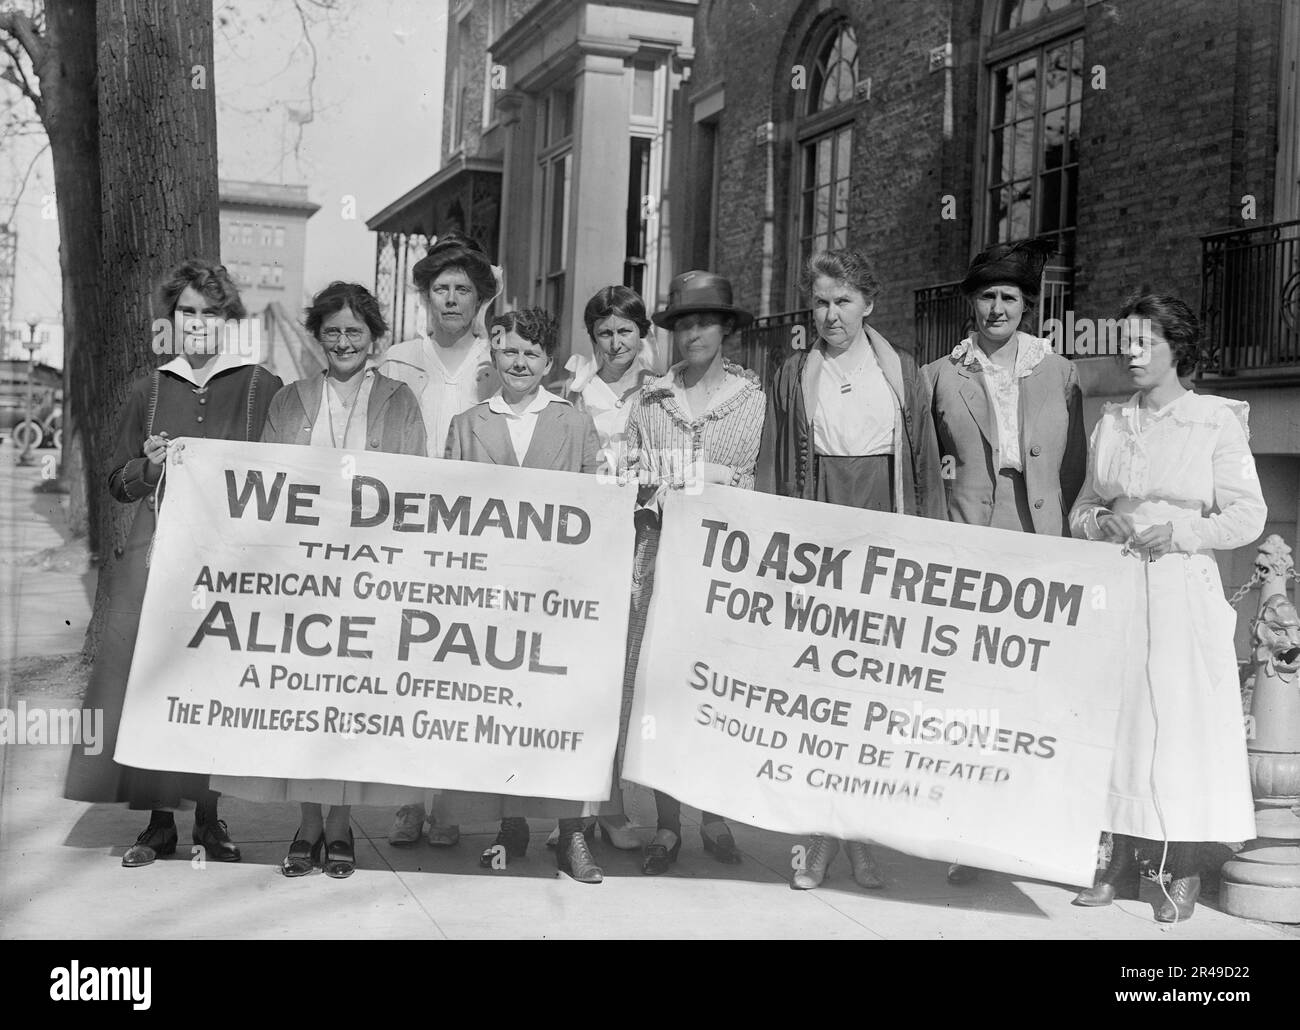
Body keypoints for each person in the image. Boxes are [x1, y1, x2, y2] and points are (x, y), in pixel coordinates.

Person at [64, 259, 281, 867]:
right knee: (155, 682)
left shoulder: (262, 385)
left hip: (230, 562)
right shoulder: (149, 389)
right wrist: (150, 467)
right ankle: (159, 824)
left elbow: (287, 477)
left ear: (228, 320)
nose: (199, 323)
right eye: (187, 311)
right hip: (158, 555)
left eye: (212, 312)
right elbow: (117, 481)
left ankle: (211, 818)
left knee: (215, 684)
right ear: (172, 318)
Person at [211, 282, 427, 879]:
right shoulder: (291, 399)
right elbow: (270, 483)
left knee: (351, 702)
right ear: (317, 337)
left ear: (373, 338)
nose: (343, 342)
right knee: (306, 698)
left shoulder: (399, 399)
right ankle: (308, 822)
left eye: (354, 331)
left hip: (370, 573)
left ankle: (341, 826)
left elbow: (414, 483)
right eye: (331, 331)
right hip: (303, 573)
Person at [1069, 294, 1265, 922]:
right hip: (1120, 584)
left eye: (1144, 342)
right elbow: (1083, 504)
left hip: (1182, 585)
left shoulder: (1213, 420)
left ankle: (1182, 867)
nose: (1130, 353)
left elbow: (1249, 515)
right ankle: (1118, 859)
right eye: (1125, 341)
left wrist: (1182, 535)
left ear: (1176, 347)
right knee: (1121, 723)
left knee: (1181, 726)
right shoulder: (1112, 421)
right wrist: (1098, 521)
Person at [758, 247, 945, 892]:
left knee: (870, 697)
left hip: (883, 533)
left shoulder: (902, 373)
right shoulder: (791, 374)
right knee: (817, 693)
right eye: (821, 302)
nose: (831, 314)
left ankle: (862, 838)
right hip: (819, 537)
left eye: (843, 301)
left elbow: (920, 470)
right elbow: (776, 466)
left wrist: (922, 550)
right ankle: (816, 838)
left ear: (869, 304)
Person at [925, 238, 1087, 885]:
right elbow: (925, 469)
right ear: (971, 303)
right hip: (972, 539)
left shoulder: (1061, 372)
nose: (998, 308)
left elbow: (1076, 474)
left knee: (1035, 694)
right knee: (976, 698)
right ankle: (974, 840)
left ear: (1028, 306)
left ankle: (1034, 833)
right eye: (988, 295)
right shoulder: (940, 375)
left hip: (1041, 538)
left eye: (1010, 298)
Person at [443, 308, 606, 883]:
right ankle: (510, 825)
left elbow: (599, 511)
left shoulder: (574, 423)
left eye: (532, 354)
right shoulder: (467, 424)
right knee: (506, 712)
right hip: (492, 595)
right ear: (493, 353)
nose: (519, 363)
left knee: (562, 712)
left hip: (558, 595)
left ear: (549, 362)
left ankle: (571, 835)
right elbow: (449, 511)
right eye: (509, 351)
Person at [623, 269, 767, 875]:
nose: (693, 335)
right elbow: (622, 475)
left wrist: (724, 482)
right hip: (659, 559)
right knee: (661, 691)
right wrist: (669, 480)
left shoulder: (755, 402)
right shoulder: (650, 399)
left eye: (705, 322)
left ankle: (713, 814)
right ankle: (666, 824)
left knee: (717, 689)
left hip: (726, 569)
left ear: (727, 329)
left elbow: (767, 482)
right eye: (682, 324)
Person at [377, 231, 501, 849]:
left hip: (475, 524)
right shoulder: (400, 357)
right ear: (425, 296)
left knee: (457, 664)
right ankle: (405, 800)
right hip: (409, 518)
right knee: (409, 660)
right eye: (440, 289)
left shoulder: (497, 358)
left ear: (480, 299)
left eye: (463, 290)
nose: (451, 299)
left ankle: (446, 803)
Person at [558, 285, 661, 851]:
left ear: (641, 334)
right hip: (590, 537)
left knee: (627, 672)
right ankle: (578, 804)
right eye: (605, 333)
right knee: (585, 670)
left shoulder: (661, 392)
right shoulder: (574, 394)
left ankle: (615, 803)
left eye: (626, 331)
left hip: (644, 535)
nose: (616, 342)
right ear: (591, 338)